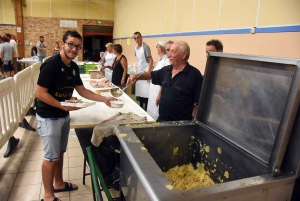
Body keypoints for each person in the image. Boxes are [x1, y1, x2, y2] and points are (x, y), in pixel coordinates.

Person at [35, 30, 116, 201]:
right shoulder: (52, 64)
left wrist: (103, 99)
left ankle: (59, 183)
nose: (74, 49)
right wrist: (62, 106)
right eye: (70, 44)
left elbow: (82, 90)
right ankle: (48, 196)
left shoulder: (72, 67)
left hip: (63, 115)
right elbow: (40, 93)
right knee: (50, 157)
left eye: (77, 46)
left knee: (60, 152)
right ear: (62, 43)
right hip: (49, 116)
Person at [128, 41, 203, 122]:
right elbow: (150, 75)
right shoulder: (166, 70)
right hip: (162, 121)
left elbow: (199, 104)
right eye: (169, 51)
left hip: (180, 125)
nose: (169, 54)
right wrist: (137, 76)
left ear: (183, 55)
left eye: (173, 51)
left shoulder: (194, 75)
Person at [146, 40, 170, 120]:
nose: (156, 49)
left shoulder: (166, 61)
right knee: (151, 111)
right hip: (153, 91)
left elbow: (164, 79)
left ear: (160, 49)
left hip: (157, 91)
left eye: (157, 47)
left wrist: (160, 93)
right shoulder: (161, 60)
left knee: (156, 112)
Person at [133, 31, 154, 111]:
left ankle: (146, 109)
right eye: (135, 38)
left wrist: (148, 71)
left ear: (141, 37)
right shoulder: (136, 48)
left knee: (146, 92)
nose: (137, 40)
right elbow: (138, 60)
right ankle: (141, 107)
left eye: (138, 37)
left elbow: (150, 60)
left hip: (145, 71)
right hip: (139, 71)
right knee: (140, 92)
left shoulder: (145, 47)